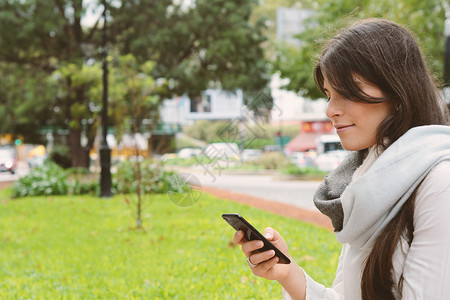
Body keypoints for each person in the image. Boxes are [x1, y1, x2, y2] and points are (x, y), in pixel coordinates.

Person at [233, 18, 450, 299]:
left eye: (347, 92)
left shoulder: (439, 185)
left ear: (398, 91)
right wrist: (288, 273)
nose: (330, 110)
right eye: (329, 94)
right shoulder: (370, 180)